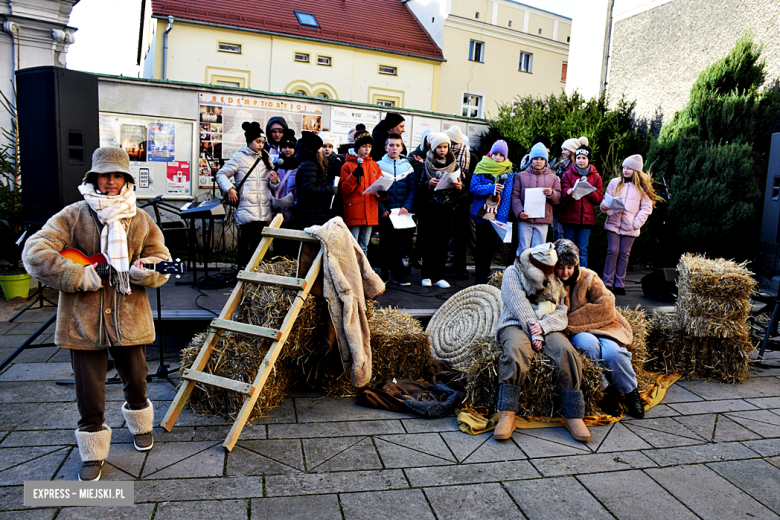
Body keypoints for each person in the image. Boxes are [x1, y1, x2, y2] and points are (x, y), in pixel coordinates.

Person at [22, 147, 171, 481]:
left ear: (127, 179)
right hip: (82, 319)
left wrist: (145, 272)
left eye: (117, 175)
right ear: (93, 178)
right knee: (88, 387)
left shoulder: (141, 220)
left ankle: (138, 420)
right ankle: (92, 447)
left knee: (137, 377)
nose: (110, 182)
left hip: (129, 316)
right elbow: (34, 251)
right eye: (104, 175)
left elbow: (160, 260)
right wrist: (77, 275)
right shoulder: (73, 215)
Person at [494, 243, 590, 442]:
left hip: (546, 326)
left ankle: (573, 415)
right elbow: (518, 302)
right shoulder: (514, 271)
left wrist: (544, 326)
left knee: (567, 352)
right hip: (516, 323)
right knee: (515, 351)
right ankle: (507, 414)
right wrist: (533, 330)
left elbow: (562, 310)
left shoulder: (555, 277)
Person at [554, 239, 645, 418]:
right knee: (587, 345)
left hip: (604, 326)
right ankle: (606, 391)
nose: (565, 272)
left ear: (576, 265)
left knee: (614, 353)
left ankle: (630, 392)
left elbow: (606, 304)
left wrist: (571, 320)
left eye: (570, 267)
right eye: (561, 267)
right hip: (579, 332)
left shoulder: (589, 276)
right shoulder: (549, 283)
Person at [217, 122, 277, 267]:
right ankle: (242, 277)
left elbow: (270, 183)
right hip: (247, 209)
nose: (261, 145)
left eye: (262, 142)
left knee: (260, 249)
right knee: (245, 247)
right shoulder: (239, 157)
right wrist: (230, 189)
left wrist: (275, 181)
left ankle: (256, 279)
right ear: (249, 141)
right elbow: (221, 174)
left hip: (264, 210)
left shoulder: (265, 157)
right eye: (258, 142)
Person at [600, 154, 658, 294]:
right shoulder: (615, 182)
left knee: (624, 254)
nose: (625, 170)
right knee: (612, 251)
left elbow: (646, 207)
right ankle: (607, 283)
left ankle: (619, 284)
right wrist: (604, 206)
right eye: (624, 167)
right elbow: (605, 199)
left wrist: (636, 223)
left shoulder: (642, 187)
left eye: (629, 168)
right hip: (613, 223)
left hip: (630, 226)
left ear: (636, 171)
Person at [417, 132, 464, 288]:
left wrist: (459, 187)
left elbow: (461, 188)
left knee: (443, 243)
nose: (442, 150)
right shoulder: (426, 163)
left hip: (447, 208)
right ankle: (426, 275)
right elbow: (420, 185)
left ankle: (438, 276)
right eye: (439, 147)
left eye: (445, 147)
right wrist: (428, 184)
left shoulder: (454, 164)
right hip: (430, 208)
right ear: (433, 147)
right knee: (429, 242)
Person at [469, 140, 514, 284]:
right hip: (481, 214)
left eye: (501, 155)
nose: (497, 157)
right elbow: (473, 188)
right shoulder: (481, 166)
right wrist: (490, 188)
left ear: (505, 156)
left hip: (496, 217)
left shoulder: (508, 171)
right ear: (490, 153)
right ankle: (479, 274)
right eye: (495, 154)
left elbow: (507, 196)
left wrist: (502, 217)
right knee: (480, 245)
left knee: (490, 247)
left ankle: (486, 273)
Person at [377, 133, 417, 285]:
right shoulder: (378, 165)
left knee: (399, 246)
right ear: (386, 147)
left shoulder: (407, 166)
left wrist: (406, 207)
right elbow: (374, 191)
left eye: (397, 145)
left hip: (401, 214)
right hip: (385, 214)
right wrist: (381, 209)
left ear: (402, 147)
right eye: (391, 145)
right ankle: (384, 275)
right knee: (385, 245)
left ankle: (399, 275)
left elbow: (412, 190)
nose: (394, 148)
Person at [340, 131, 385, 255]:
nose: (367, 149)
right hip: (354, 210)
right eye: (364, 146)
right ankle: (352, 272)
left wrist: (382, 193)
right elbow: (344, 189)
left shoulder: (374, 165)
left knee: (364, 246)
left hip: (370, 211)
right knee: (353, 246)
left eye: (370, 146)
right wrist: (353, 176)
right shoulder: (347, 166)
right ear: (357, 147)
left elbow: (380, 185)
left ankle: (362, 272)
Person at [559, 144, 603, 268]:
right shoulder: (567, 174)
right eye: (578, 158)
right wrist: (568, 192)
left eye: (584, 158)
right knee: (568, 250)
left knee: (582, 250)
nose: (581, 160)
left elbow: (598, 198)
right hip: (569, 218)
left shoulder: (596, 176)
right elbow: (563, 195)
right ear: (575, 159)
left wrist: (588, 190)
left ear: (588, 159)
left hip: (586, 220)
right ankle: (567, 277)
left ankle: (582, 278)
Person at [511, 142, 561, 254]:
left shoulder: (553, 177)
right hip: (525, 219)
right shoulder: (520, 176)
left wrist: (551, 193)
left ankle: (536, 272)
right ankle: (521, 271)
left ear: (546, 161)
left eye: (542, 159)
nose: (538, 161)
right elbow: (515, 196)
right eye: (535, 158)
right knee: (523, 250)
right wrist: (519, 212)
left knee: (538, 252)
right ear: (531, 160)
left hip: (543, 220)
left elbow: (558, 198)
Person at [445, 125, 476, 281]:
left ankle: (461, 268)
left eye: (450, 140)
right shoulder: (445, 155)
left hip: (463, 200)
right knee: (445, 235)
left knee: (460, 236)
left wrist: (465, 178)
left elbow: (475, 179)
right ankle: (444, 266)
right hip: (445, 199)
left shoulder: (471, 157)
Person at [295, 131, 340, 228]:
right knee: (310, 241)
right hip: (311, 212)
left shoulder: (311, 162)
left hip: (314, 211)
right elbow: (309, 189)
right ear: (314, 149)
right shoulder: (309, 164)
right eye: (321, 147)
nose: (322, 150)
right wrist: (330, 189)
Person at [553, 136, 588, 241]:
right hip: (556, 204)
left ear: (572, 151)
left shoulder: (575, 168)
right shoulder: (559, 165)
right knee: (556, 232)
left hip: (567, 206)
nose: (562, 152)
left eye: (565, 150)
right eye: (562, 150)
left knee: (563, 235)